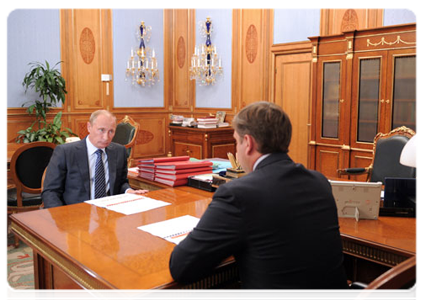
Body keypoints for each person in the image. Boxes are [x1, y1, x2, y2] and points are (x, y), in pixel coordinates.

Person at [169, 102, 351, 300]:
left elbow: (182, 267)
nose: (236, 151)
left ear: (248, 143)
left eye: (236, 142)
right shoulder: (319, 181)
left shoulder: (238, 194)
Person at [42, 110, 147, 208]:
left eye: (111, 131)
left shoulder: (119, 151)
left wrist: (128, 191)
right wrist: (62, 216)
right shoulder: (66, 152)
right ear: (89, 127)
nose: (106, 137)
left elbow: (121, 183)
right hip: (77, 214)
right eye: (101, 130)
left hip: (110, 213)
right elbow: (50, 192)